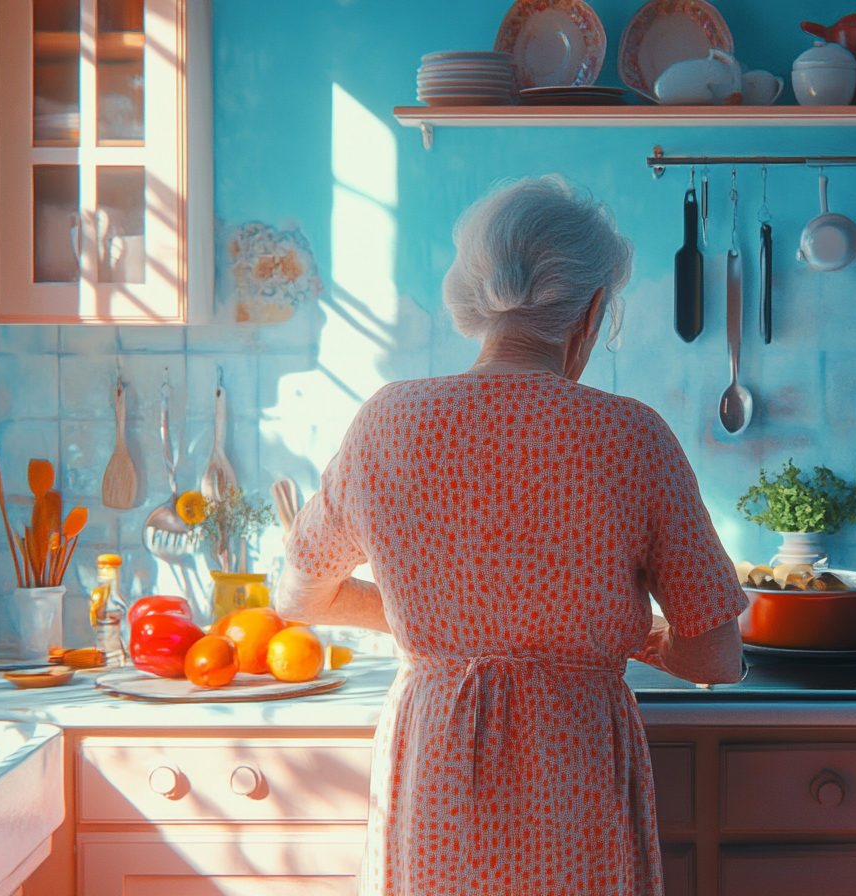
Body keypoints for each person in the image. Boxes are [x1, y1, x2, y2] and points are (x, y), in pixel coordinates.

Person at [279, 175, 746, 896]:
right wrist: (619, 636)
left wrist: (435, 629)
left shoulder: (388, 423)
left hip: (435, 777)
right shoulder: (631, 437)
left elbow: (303, 597)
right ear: (591, 312)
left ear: (474, 298)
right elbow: (717, 654)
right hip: (574, 790)